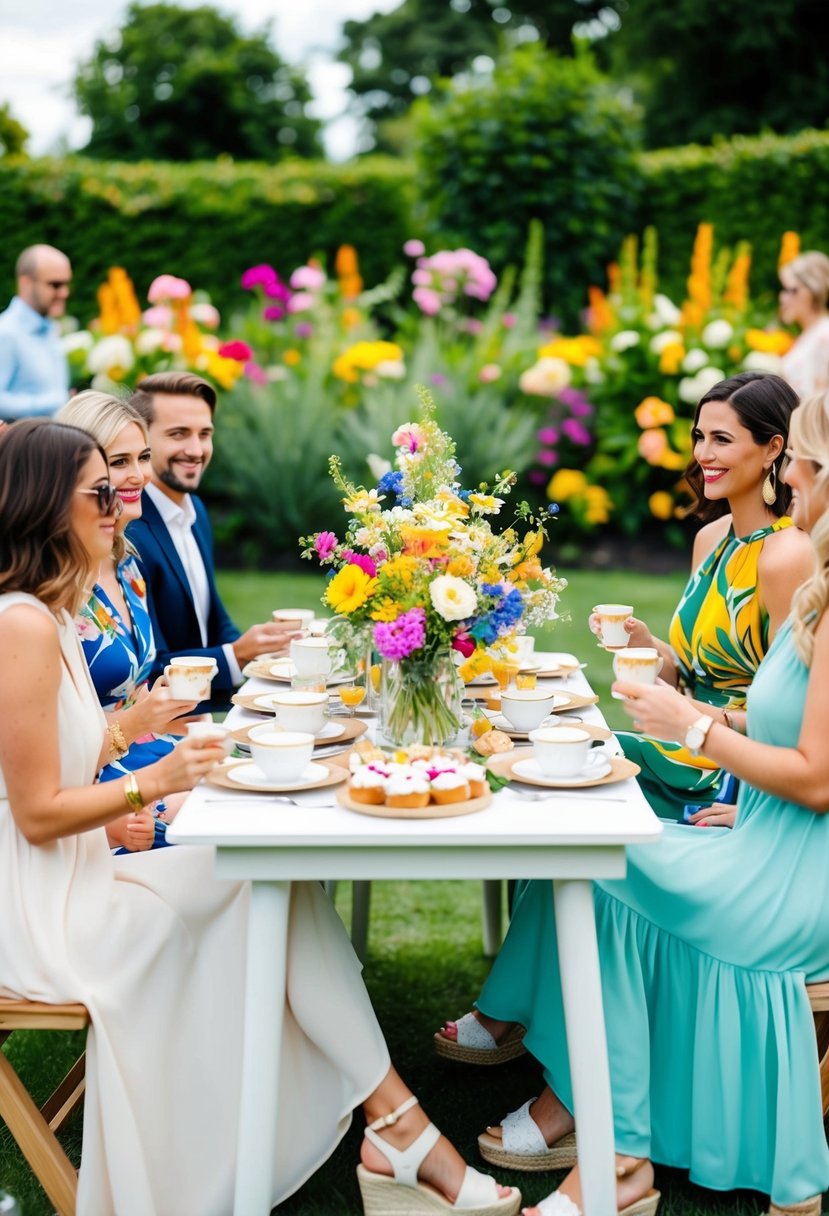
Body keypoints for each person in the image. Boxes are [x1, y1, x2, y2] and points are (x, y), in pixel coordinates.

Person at [0, 418, 521, 1216]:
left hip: (79, 878)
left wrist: (134, 727)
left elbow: (64, 748)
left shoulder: (45, 612)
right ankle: (401, 1135)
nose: (119, 503)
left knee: (271, 884)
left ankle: (396, 1126)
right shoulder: (21, 624)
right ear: (43, 504)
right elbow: (36, 814)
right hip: (47, 909)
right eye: (100, 491)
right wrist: (157, 780)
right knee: (262, 889)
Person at [439, 391, 829, 1216]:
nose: (791, 475)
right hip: (760, 818)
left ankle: (593, 1120)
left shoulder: (799, 571)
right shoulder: (801, 584)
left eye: (796, 456)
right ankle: (605, 1128)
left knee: (593, 851)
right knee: (581, 820)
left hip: (789, 867)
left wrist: (700, 733)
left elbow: (817, 775)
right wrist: (675, 681)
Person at [594, 372, 813, 824]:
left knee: (586, 778)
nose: (703, 454)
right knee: (573, 759)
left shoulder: (787, 556)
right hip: (690, 745)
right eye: (699, 436)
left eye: (721, 439)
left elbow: (795, 715)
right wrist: (644, 644)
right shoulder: (712, 539)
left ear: (773, 448)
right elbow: (691, 677)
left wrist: (748, 807)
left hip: (735, 771)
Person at [57, 390, 198, 854]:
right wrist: (139, 723)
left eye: (141, 457)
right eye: (119, 463)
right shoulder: (54, 589)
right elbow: (52, 747)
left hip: (144, 756)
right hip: (93, 793)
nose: (138, 475)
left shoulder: (126, 564)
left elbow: (133, 690)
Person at [126, 371, 300, 712]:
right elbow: (148, 669)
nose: (196, 450)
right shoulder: (130, 533)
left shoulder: (196, 511)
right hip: (158, 726)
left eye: (204, 434)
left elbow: (214, 620)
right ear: (142, 441)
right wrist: (237, 655)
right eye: (178, 434)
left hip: (202, 713)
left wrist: (266, 649)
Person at [0, 244, 71, 420]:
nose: (64, 293)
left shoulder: (50, 328)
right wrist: (56, 402)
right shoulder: (6, 333)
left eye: (66, 284)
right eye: (55, 284)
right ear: (26, 282)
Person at [779, 250, 829, 399]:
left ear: (814, 290)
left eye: (792, 290)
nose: (783, 298)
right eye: (783, 290)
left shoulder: (825, 335)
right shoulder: (808, 335)